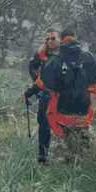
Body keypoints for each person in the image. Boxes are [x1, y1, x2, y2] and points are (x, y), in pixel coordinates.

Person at [40, 29, 96, 152]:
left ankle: (70, 158)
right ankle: (85, 161)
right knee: (84, 141)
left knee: (68, 142)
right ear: (75, 38)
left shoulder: (56, 59)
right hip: (84, 107)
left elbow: (46, 78)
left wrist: (60, 86)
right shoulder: (88, 57)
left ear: (62, 39)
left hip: (63, 108)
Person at [20, 29, 61, 165]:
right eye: (48, 39)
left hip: (63, 93)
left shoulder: (67, 54)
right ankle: (42, 157)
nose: (50, 42)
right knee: (43, 122)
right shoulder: (42, 52)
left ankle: (71, 154)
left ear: (59, 39)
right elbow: (32, 66)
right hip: (45, 92)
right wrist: (36, 84)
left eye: (53, 39)